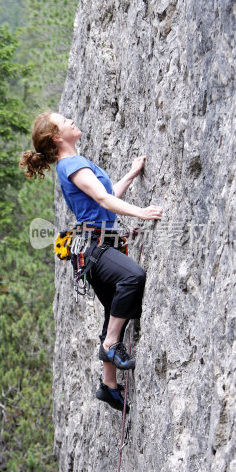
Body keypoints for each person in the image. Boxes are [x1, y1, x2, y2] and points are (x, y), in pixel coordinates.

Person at [19, 111, 163, 412]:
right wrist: (142, 212)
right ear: (58, 137)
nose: (72, 120)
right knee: (133, 277)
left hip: (93, 248)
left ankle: (109, 386)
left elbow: (106, 197)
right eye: (65, 121)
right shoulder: (72, 164)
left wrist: (131, 174)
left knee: (114, 311)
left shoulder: (71, 165)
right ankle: (110, 347)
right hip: (95, 248)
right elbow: (105, 200)